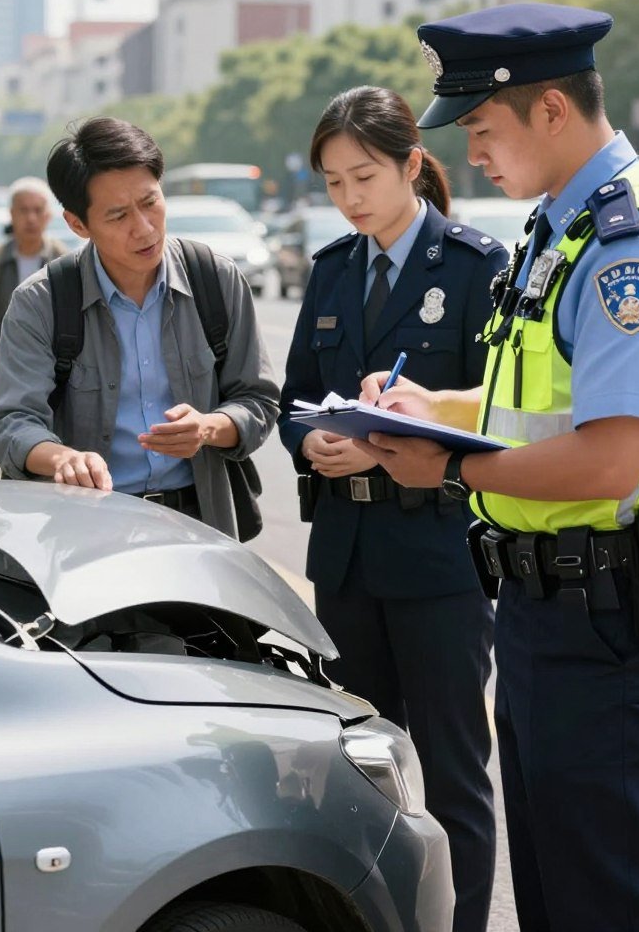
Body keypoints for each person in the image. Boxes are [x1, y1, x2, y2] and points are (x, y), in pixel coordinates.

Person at [359, 4, 639, 932]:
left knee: (606, 902)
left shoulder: (626, 249)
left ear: (552, 110)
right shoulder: (557, 231)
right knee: (563, 895)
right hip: (548, 616)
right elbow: (542, 409)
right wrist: (429, 411)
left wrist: (447, 470)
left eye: (482, 129)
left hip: (605, 629)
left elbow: (609, 457)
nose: (472, 154)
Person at [276, 86, 506, 932]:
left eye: (364, 175)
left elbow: (501, 415)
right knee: (358, 770)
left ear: (412, 164)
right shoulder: (334, 268)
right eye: (334, 182)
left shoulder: (477, 267)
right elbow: (295, 397)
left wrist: (392, 443)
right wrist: (313, 443)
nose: (350, 196)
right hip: (346, 555)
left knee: (451, 773)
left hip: (438, 552)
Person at [0, 117, 279, 537]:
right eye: (119, 215)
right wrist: (61, 458)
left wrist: (209, 427)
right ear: (77, 224)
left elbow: (259, 399)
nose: (143, 228)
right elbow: (9, 421)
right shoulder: (42, 301)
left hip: (199, 521)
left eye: (150, 202)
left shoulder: (216, 279)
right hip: (83, 528)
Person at [0, 176, 66, 334]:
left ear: (48, 216)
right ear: (11, 214)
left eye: (37, 210)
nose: (31, 218)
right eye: (23, 210)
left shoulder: (63, 260)